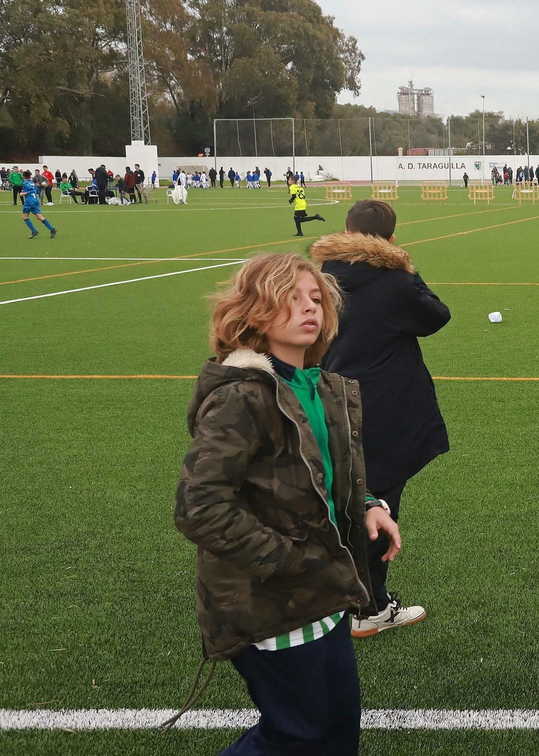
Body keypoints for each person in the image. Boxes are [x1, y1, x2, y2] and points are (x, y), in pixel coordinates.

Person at [169, 253, 402, 749]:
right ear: (254, 312)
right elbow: (199, 506)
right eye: (290, 299)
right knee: (297, 737)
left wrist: (369, 504)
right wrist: (290, 561)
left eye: (315, 299)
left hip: (326, 594)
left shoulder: (317, 385)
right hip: (272, 605)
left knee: (338, 732)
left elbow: (325, 476)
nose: (308, 309)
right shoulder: (244, 395)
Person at [310, 201, 450, 639]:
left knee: (339, 497)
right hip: (383, 409)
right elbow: (437, 316)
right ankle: (369, 607)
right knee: (378, 503)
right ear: (390, 240)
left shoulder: (318, 279)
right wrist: (406, 269)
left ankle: (332, 592)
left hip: (325, 401)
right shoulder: (394, 282)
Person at [19, 171, 57, 239]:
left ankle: (34, 231)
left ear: (23, 176)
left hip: (29, 201)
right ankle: (52, 229)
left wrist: (24, 193)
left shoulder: (25, 183)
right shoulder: (33, 183)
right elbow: (37, 191)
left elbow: (32, 191)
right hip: (35, 201)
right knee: (39, 217)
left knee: (25, 217)